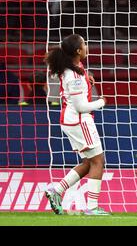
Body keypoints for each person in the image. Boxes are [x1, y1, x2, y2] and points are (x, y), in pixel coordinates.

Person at [44, 34, 109, 215]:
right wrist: (101, 102)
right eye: (84, 44)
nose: (87, 47)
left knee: (89, 162)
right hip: (79, 121)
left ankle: (56, 190)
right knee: (98, 161)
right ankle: (92, 208)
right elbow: (81, 106)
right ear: (78, 51)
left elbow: (77, 82)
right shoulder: (73, 74)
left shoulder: (74, 67)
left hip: (71, 120)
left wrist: (86, 80)